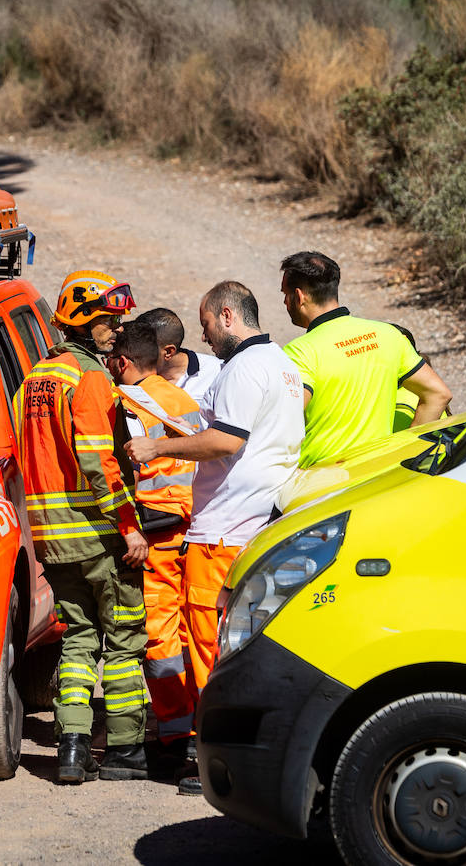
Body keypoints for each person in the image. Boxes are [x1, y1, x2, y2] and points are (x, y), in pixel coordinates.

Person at [126, 280, 304, 795]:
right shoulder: (282, 363)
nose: (202, 335)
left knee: (208, 647)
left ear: (227, 316)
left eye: (205, 324)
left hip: (224, 529)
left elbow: (227, 440)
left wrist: (159, 446)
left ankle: (210, 760)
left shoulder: (245, 367)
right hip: (259, 520)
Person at [11, 270, 150, 784]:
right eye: (108, 321)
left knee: (77, 640)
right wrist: (129, 526)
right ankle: (127, 749)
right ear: (83, 321)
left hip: (51, 537)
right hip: (97, 534)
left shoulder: (32, 379)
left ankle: (71, 749)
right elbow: (98, 463)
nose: (116, 330)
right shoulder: (89, 378)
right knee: (123, 640)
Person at [105, 323, 203, 772]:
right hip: (194, 528)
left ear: (123, 362)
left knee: (160, 636)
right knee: (195, 631)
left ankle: (179, 734)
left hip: (156, 534)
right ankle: (199, 725)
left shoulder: (127, 405)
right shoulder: (182, 398)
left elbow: (121, 472)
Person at [280, 251, 452, 467]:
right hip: (374, 476)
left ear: (299, 296)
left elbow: (282, 424)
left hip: (323, 482)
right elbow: (439, 393)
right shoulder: (389, 334)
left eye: (285, 295)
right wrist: (403, 454)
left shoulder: (298, 352)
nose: (285, 303)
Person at [132, 307, 222, 402]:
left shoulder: (217, 372)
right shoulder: (133, 375)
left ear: (168, 352)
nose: (135, 354)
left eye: (143, 349)